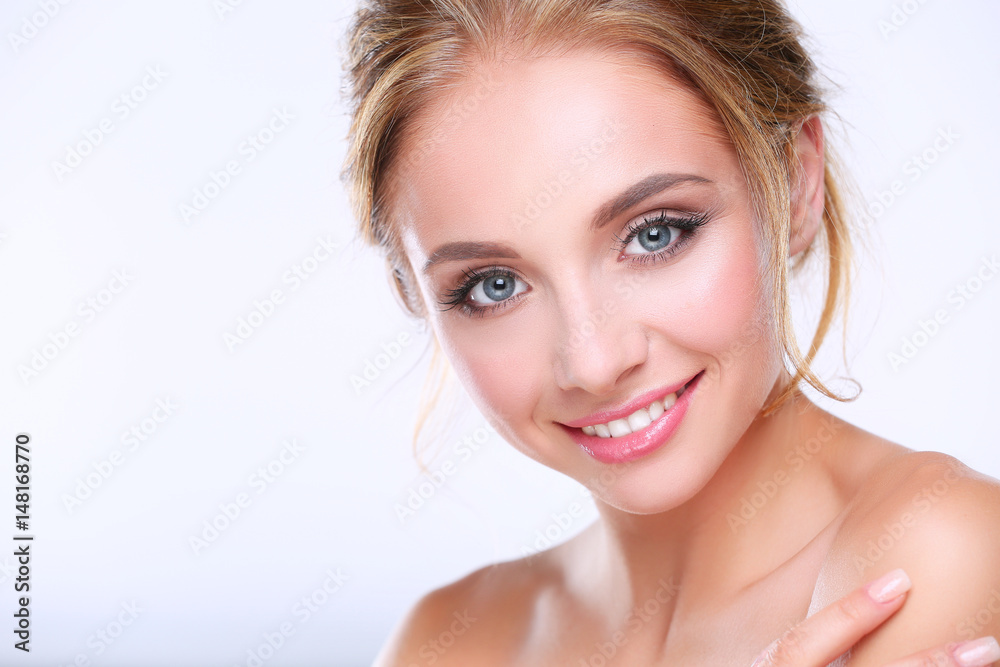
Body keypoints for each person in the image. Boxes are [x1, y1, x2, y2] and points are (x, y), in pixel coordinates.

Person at [340, 0, 1000, 664]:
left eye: (655, 234)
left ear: (796, 182)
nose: (593, 361)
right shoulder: (448, 640)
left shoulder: (934, 548)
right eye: (493, 285)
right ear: (418, 297)